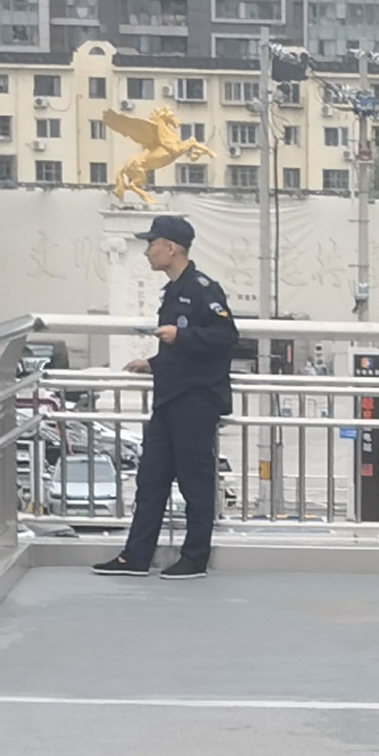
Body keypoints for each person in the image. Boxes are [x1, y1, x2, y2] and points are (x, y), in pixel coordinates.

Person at [96, 214, 237, 577]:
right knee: (151, 480)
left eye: (151, 244)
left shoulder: (203, 289)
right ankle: (135, 556)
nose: (147, 252)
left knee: (195, 482)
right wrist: (154, 364)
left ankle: (194, 558)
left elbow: (226, 337)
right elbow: (181, 353)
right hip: (169, 399)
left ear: (171, 248)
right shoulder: (173, 291)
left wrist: (182, 336)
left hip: (195, 401)